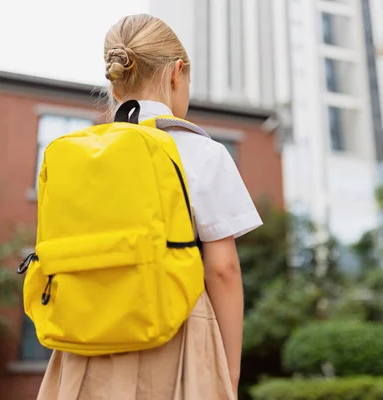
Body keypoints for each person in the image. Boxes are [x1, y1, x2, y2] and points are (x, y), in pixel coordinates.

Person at [36, 13, 262, 400]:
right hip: (175, 337)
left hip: (84, 346)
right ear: (177, 73)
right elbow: (223, 270)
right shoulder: (202, 151)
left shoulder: (78, 154)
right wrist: (231, 371)